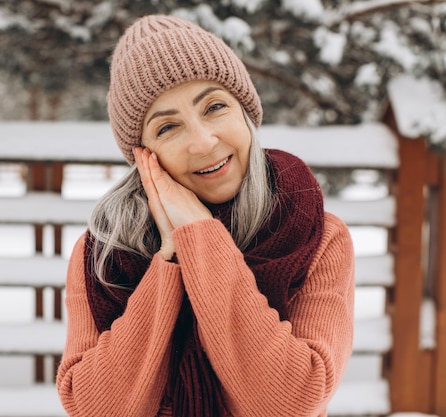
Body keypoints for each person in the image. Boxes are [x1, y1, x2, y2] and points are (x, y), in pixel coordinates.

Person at [56, 14, 354, 417]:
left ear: (246, 114)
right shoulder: (104, 254)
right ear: (144, 156)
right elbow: (95, 409)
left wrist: (200, 235)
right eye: (167, 128)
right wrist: (169, 259)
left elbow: (291, 403)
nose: (203, 142)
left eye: (215, 106)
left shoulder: (318, 236)